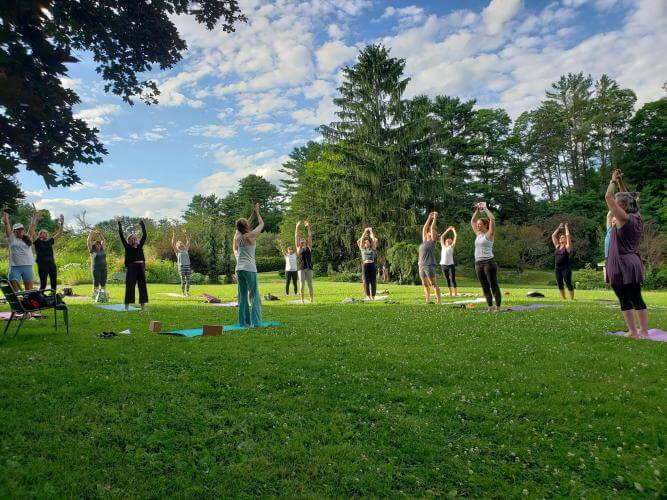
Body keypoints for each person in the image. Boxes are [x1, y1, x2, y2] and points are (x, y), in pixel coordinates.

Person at [605, 169, 649, 338]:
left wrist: (613, 181)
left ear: (622, 205)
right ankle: (642, 331)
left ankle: (633, 331)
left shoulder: (623, 218)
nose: (614, 203)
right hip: (632, 262)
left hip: (621, 262)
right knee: (636, 297)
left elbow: (608, 197)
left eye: (618, 202)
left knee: (625, 298)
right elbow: (632, 198)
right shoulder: (637, 216)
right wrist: (622, 183)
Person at [234, 203, 264, 327]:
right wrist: (257, 213)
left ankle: (244, 322)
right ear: (246, 226)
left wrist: (252, 214)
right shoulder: (250, 236)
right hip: (249, 269)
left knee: (242, 296)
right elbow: (261, 225)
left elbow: (243, 225)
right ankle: (256, 323)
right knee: (254, 296)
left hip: (239, 269)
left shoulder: (237, 237)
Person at [471, 202, 501, 312]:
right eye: (477, 224)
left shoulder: (489, 234)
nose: (477, 225)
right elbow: (472, 221)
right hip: (478, 263)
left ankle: (498, 307)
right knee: (484, 286)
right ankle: (490, 308)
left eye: (480, 224)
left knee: (493, 285)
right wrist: (478, 210)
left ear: (485, 225)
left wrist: (485, 208)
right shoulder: (478, 234)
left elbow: (492, 219)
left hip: (489, 263)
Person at [2, 209, 37, 292]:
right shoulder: (11, 238)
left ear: (23, 230)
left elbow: (32, 226)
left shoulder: (28, 237)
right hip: (15, 268)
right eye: (17, 229)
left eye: (21, 229)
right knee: (15, 292)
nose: (20, 231)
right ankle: (18, 304)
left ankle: (27, 304)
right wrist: (6, 213)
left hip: (28, 266)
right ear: (14, 231)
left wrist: (34, 216)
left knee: (28, 291)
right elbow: (6, 223)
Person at [118, 218, 148, 311]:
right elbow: (121, 236)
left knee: (142, 286)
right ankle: (127, 307)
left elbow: (145, 235)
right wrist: (119, 225)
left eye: (135, 237)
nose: (134, 238)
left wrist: (142, 225)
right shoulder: (127, 247)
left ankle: (142, 306)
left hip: (141, 266)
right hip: (131, 267)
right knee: (130, 286)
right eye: (132, 238)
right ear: (129, 240)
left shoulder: (140, 246)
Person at [31, 212, 64, 291]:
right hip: (42, 265)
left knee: (54, 282)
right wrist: (35, 219)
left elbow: (59, 233)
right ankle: (40, 298)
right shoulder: (37, 241)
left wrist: (62, 224)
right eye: (43, 233)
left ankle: (54, 297)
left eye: (46, 233)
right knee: (43, 284)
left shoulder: (49, 241)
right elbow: (32, 231)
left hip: (51, 264)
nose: (45, 234)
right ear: (40, 235)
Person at [418, 212, 441, 304]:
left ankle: (439, 301)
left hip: (429, 265)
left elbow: (431, 228)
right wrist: (429, 217)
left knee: (433, 284)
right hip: (421, 265)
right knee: (425, 284)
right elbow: (424, 228)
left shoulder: (432, 242)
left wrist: (434, 218)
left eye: (430, 233)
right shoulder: (424, 241)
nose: (428, 232)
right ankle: (427, 301)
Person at [551, 223, 574, 300]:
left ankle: (571, 299)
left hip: (565, 268)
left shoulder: (567, 247)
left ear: (565, 240)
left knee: (568, 283)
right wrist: (558, 228)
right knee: (560, 284)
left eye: (563, 237)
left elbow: (568, 237)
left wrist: (566, 228)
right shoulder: (557, 246)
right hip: (557, 268)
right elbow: (553, 236)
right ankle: (564, 298)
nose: (561, 238)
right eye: (560, 237)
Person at [295, 220, 314, 304]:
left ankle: (311, 300)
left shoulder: (309, 247)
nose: (302, 240)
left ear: (306, 241)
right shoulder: (298, 248)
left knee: (310, 284)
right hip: (301, 268)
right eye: (301, 240)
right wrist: (297, 227)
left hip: (309, 268)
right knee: (302, 285)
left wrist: (308, 227)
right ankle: (302, 301)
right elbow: (296, 236)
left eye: (303, 239)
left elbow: (310, 236)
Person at [357, 227, 379, 300]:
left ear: (370, 243)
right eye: (365, 242)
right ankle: (368, 296)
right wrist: (364, 232)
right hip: (365, 265)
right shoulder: (362, 249)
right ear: (364, 244)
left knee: (373, 281)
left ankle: (373, 296)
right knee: (366, 281)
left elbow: (374, 239)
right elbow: (360, 240)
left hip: (372, 265)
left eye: (368, 242)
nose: (367, 243)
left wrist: (371, 231)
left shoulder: (373, 249)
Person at [87, 228, 108, 294]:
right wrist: (91, 233)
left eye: (99, 244)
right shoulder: (92, 251)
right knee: (96, 282)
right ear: (94, 246)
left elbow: (103, 240)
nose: (98, 245)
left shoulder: (102, 250)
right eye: (97, 244)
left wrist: (99, 234)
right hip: (96, 269)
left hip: (104, 268)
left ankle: (103, 295)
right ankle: (95, 294)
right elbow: (88, 241)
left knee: (103, 282)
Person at [439, 226, 458, 297]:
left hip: (450, 265)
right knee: (447, 279)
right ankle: (450, 293)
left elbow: (456, 236)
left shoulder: (451, 247)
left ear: (451, 242)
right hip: (443, 265)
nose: (448, 241)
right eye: (447, 240)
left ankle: (455, 293)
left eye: (449, 240)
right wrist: (447, 230)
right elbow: (442, 237)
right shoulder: (443, 246)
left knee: (452, 279)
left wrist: (453, 230)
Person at [172, 229, 191, 296]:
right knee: (183, 281)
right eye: (179, 243)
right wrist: (174, 235)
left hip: (188, 266)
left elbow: (188, 240)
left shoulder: (186, 249)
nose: (181, 244)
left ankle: (187, 292)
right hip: (181, 267)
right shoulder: (177, 251)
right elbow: (173, 243)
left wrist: (185, 234)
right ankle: (183, 293)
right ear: (177, 245)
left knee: (188, 281)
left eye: (181, 243)